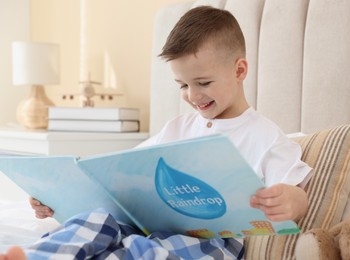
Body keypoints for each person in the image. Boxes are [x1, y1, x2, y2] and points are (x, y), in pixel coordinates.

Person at [5, 6, 312, 259]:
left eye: (203, 83)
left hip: (214, 241)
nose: (192, 96)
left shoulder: (264, 135)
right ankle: (37, 256)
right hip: (149, 227)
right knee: (97, 221)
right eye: (182, 85)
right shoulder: (176, 128)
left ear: (239, 70)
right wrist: (57, 198)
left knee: (142, 250)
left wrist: (291, 199)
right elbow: (117, 179)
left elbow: (296, 193)